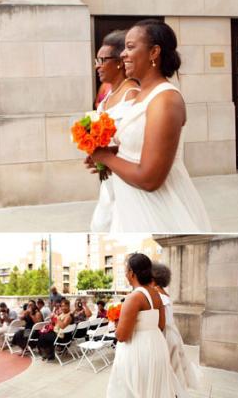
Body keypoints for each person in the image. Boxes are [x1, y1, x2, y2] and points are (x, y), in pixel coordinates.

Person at [88, 20, 212, 232]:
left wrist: (104, 156)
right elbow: (141, 145)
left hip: (156, 208)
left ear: (154, 52)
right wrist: (113, 152)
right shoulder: (143, 94)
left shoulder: (165, 100)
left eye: (130, 47)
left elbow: (150, 179)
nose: (123, 55)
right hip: (130, 204)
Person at [107, 253, 178, 397]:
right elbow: (161, 325)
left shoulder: (133, 298)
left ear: (132, 273)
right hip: (156, 348)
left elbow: (122, 336)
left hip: (138, 352)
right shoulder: (156, 295)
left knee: (135, 390)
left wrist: (117, 323)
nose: (125, 274)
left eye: (126, 271)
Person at [90, 30, 140, 232]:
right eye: (97, 60)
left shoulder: (133, 95)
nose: (97, 66)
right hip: (109, 177)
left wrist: (107, 155)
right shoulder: (108, 93)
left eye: (103, 60)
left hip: (126, 177)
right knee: (102, 224)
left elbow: (137, 141)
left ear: (120, 62)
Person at [152, 262, 200, 394]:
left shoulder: (157, 295)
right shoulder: (165, 294)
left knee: (168, 369)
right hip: (173, 333)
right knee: (175, 367)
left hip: (165, 334)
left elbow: (160, 322)